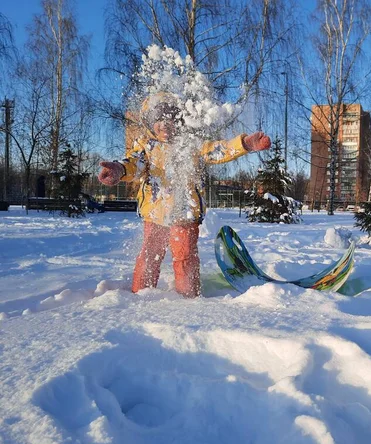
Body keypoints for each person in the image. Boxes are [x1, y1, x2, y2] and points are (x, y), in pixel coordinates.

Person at [98, 92, 271, 297]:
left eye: (171, 119)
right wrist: (119, 170)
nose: (164, 124)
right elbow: (134, 164)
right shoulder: (147, 146)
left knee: (185, 256)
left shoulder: (191, 143)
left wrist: (245, 144)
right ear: (149, 122)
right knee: (149, 254)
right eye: (158, 120)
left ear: (180, 120)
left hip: (184, 213)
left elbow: (217, 150)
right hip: (155, 214)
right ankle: (139, 294)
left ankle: (188, 297)